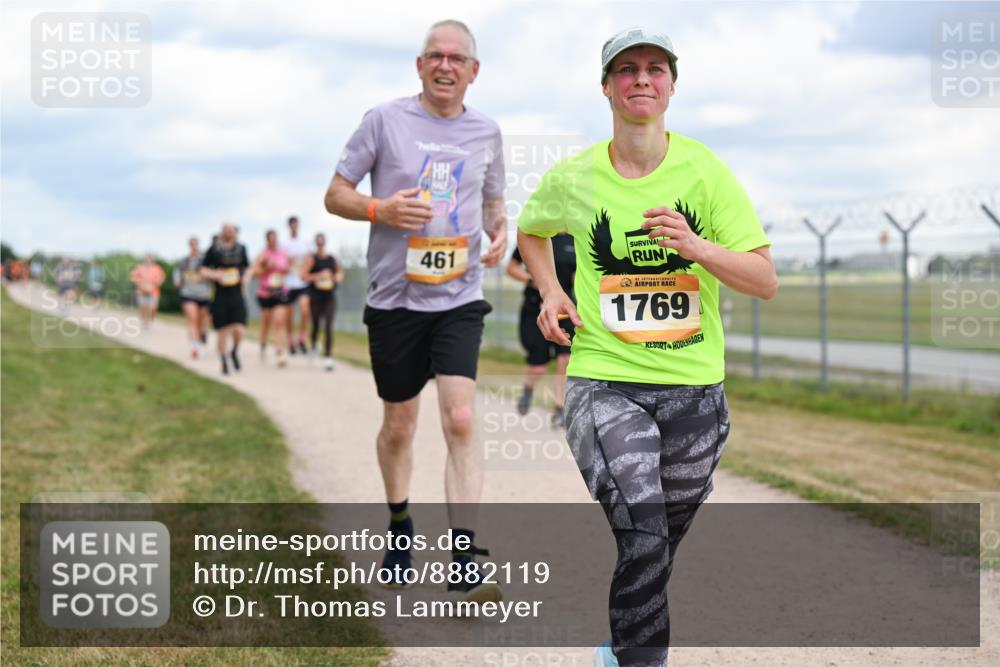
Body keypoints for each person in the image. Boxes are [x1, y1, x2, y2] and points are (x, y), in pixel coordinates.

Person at [516, 27, 777, 666]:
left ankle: (619, 647)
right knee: (641, 528)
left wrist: (696, 247)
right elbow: (530, 230)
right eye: (626, 69)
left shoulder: (704, 171)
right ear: (607, 86)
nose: (641, 78)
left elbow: (764, 279)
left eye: (655, 69)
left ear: (671, 87)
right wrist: (551, 291)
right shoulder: (576, 176)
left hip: (695, 391)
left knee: (657, 541)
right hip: (606, 382)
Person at [324, 19, 507, 603]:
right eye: (436, 56)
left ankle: (463, 556)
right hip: (395, 298)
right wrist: (379, 208)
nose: (446, 67)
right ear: (420, 65)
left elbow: (494, 201)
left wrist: (500, 234)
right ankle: (400, 525)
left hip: (458, 296)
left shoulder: (487, 132)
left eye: (457, 59)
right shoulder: (384, 120)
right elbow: (335, 194)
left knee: (459, 419)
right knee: (400, 426)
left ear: (473, 71)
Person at [506, 232, 576, 427]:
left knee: (566, 359)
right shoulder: (535, 233)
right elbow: (511, 268)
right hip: (535, 306)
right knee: (539, 365)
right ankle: (528, 390)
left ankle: (559, 408)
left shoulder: (573, 240)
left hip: (565, 308)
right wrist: (531, 280)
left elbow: (578, 275)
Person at [201, 223, 250, 375]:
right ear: (222, 232)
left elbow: (248, 267)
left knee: (239, 329)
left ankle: (234, 351)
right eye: (226, 230)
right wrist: (215, 275)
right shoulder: (214, 249)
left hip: (237, 294)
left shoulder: (241, 249)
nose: (229, 233)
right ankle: (223, 361)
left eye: (232, 230)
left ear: (236, 232)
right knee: (222, 331)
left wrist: (246, 277)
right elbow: (202, 270)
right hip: (220, 295)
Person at [302, 232, 344, 371]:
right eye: (318, 242)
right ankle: (313, 346)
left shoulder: (332, 259)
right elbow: (303, 276)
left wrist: (337, 277)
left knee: (328, 325)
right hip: (315, 296)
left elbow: (340, 272)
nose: (320, 244)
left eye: (322, 241)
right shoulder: (311, 259)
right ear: (316, 243)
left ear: (325, 242)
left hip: (329, 296)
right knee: (315, 324)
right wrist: (319, 275)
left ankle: (328, 357)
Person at [252, 229, 292, 367]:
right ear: (267, 240)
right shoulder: (262, 254)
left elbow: (287, 269)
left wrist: (285, 269)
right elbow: (255, 272)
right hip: (265, 293)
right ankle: (263, 345)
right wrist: (265, 267)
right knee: (266, 324)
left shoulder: (282, 253)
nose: (274, 241)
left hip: (280, 291)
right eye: (271, 239)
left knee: (279, 322)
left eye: (275, 238)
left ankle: (280, 352)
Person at [174, 237, 213, 358]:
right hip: (188, 294)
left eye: (196, 244)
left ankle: (202, 335)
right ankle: (195, 347)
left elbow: (212, 274)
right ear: (189, 245)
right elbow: (177, 275)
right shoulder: (184, 261)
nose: (194, 246)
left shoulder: (205, 261)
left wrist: (205, 275)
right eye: (192, 244)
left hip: (203, 295)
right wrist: (178, 281)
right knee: (192, 320)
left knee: (201, 322)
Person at [282, 216, 312, 356]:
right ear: (289, 226)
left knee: (305, 310)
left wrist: (305, 268)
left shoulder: (305, 240)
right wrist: (288, 263)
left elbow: (309, 259)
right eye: (292, 224)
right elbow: (281, 260)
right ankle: (290, 340)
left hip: (302, 281)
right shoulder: (284, 242)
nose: (295, 226)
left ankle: (301, 337)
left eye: (296, 224)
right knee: (289, 314)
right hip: (289, 282)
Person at [129, 254, 166, 328]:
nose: (148, 261)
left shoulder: (157, 269)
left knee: (152, 307)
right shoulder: (139, 268)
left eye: (150, 259)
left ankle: (150, 318)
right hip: (141, 291)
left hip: (153, 292)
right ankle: (144, 320)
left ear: (152, 260)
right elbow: (132, 277)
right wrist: (139, 283)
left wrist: (157, 283)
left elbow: (162, 278)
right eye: (146, 259)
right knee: (143, 306)